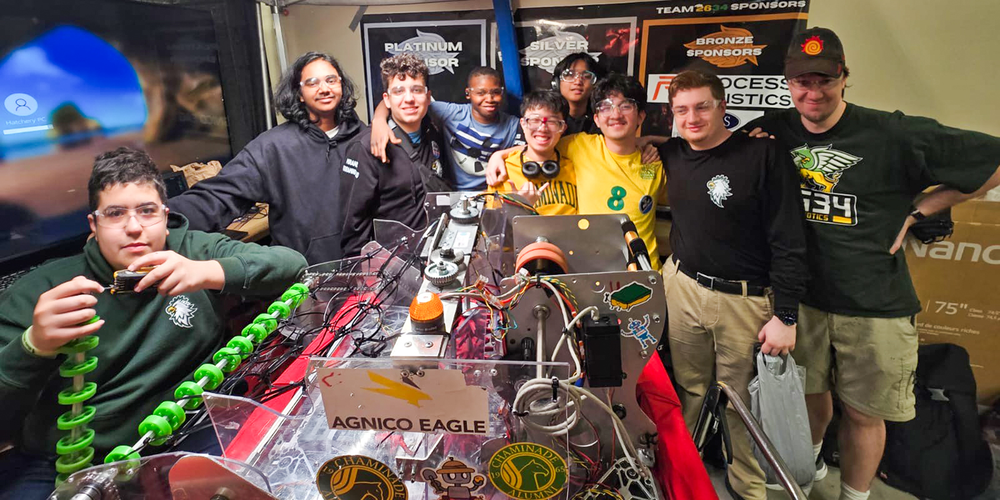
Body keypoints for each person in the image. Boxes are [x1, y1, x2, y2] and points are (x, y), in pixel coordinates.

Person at [745, 27, 1000, 500]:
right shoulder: (775, 128)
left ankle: (854, 495)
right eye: (802, 81)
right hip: (801, 300)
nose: (812, 91)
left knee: (864, 412)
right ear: (788, 82)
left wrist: (920, 210)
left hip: (873, 303)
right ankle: (811, 464)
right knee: (809, 397)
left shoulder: (891, 132)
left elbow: (992, 159)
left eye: (824, 79)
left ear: (845, 78)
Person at [0, 147, 306, 499]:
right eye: (115, 214)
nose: (134, 228)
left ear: (164, 215)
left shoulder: (191, 250)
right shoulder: (42, 291)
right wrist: (33, 345)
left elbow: (291, 264)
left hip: (185, 435)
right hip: (71, 462)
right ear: (94, 224)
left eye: (147, 211)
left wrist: (207, 272)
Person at [652, 70, 807, 500]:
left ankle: (748, 488)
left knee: (743, 406)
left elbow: (790, 240)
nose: (693, 117)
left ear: (723, 107)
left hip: (746, 301)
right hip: (682, 288)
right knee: (690, 391)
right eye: (682, 110)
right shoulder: (673, 154)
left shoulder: (763, 155)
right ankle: (685, 476)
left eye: (702, 106)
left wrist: (787, 314)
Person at [168, 51, 365, 264]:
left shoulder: (364, 138)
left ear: (341, 86)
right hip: (304, 276)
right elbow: (221, 195)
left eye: (331, 80)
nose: (324, 89)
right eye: (312, 83)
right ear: (299, 93)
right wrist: (160, 216)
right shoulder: (273, 146)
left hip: (362, 270)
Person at [487, 73, 666, 269]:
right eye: (606, 107)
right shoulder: (580, 145)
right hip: (585, 270)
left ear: (641, 115)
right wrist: (499, 155)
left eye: (625, 106)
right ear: (596, 119)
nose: (615, 114)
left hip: (644, 271)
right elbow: (541, 143)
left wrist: (649, 140)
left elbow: (691, 146)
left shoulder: (657, 163)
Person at [339, 54, 448, 257]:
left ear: (427, 95)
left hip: (435, 256)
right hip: (393, 266)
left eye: (417, 90)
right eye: (398, 91)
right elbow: (354, 227)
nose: (409, 99)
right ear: (387, 99)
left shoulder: (432, 131)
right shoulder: (366, 147)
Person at [369, 66, 523, 190]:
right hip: (454, 194)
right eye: (481, 93)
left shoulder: (512, 124)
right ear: (468, 94)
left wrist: (501, 154)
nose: (489, 99)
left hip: (495, 192)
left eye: (495, 92)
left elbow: (536, 148)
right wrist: (379, 120)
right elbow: (392, 102)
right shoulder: (451, 113)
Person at [489, 91, 578, 215]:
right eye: (535, 120)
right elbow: (492, 229)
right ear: (523, 124)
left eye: (552, 121)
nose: (543, 128)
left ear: (562, 128)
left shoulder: (576, 167)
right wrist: (517, 206)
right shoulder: (503, 170)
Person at [551, 53, 605, 135]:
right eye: (570, 75)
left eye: (586, 76)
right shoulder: (548, 121)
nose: (578, 82)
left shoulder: (602, 121)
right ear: (557, 83)